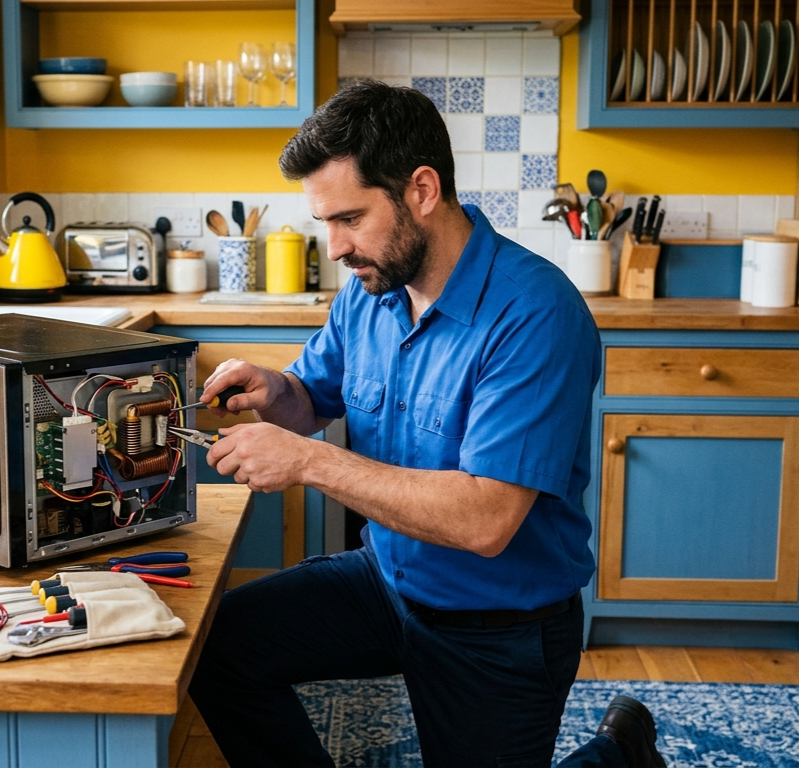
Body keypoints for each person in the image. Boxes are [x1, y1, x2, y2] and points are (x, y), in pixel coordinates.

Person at [186, 80, 666, 767]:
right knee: (218, 647)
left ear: (420, 190)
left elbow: (484, 520)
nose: (335, 246)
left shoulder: (534, 314)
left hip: (498, 624)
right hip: (387, 581)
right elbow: (310, 402)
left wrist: (306, 461)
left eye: (349, 217)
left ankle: (619, 755)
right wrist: (272, 390)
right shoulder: (370, 293)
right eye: (324, 222)